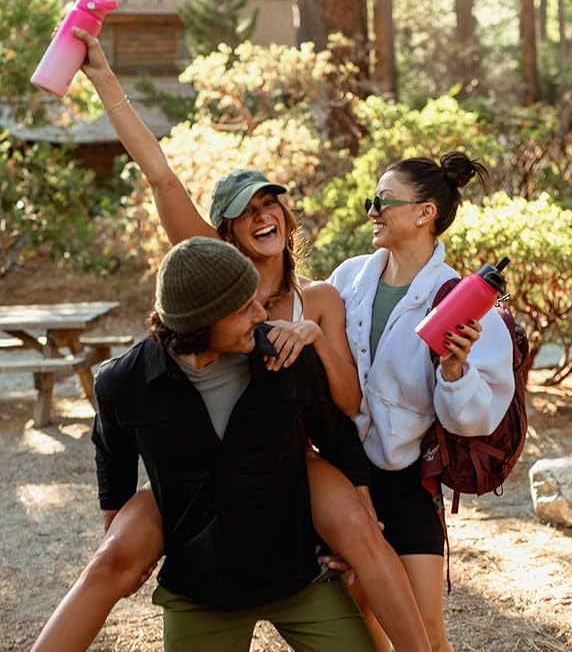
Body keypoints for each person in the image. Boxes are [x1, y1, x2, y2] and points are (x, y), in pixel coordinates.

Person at [31, 27, 430, 652]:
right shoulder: (209, 271)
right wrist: (103, 76)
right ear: (224, 234)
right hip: (200, 458)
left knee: (359, 538)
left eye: (272, 203)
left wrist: (310, 334)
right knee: (115, 560)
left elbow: (344, 411)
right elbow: (161, 177)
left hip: (293, 451)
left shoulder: (319, 299)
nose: (263, 214)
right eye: (246, 210)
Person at [90, 235, 377, 651]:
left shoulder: (281, 354)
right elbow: (111, 458)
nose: (263, 313)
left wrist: (361, 502)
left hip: (300, 575)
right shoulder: (123, 382)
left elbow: (336, 433)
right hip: (200, 590)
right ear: (204, 321)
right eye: (245, 308)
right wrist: (118, 546)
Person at [328, 151, 516, 652]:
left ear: (424, 213)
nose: (372, 211)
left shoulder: (460, 298)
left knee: (423, 628)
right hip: (345, 473)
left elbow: (475, 420)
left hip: (409, 479)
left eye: (383, 201)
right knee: (356, 612)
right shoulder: (347, 279)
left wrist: (454, 371)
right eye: (372, 201)